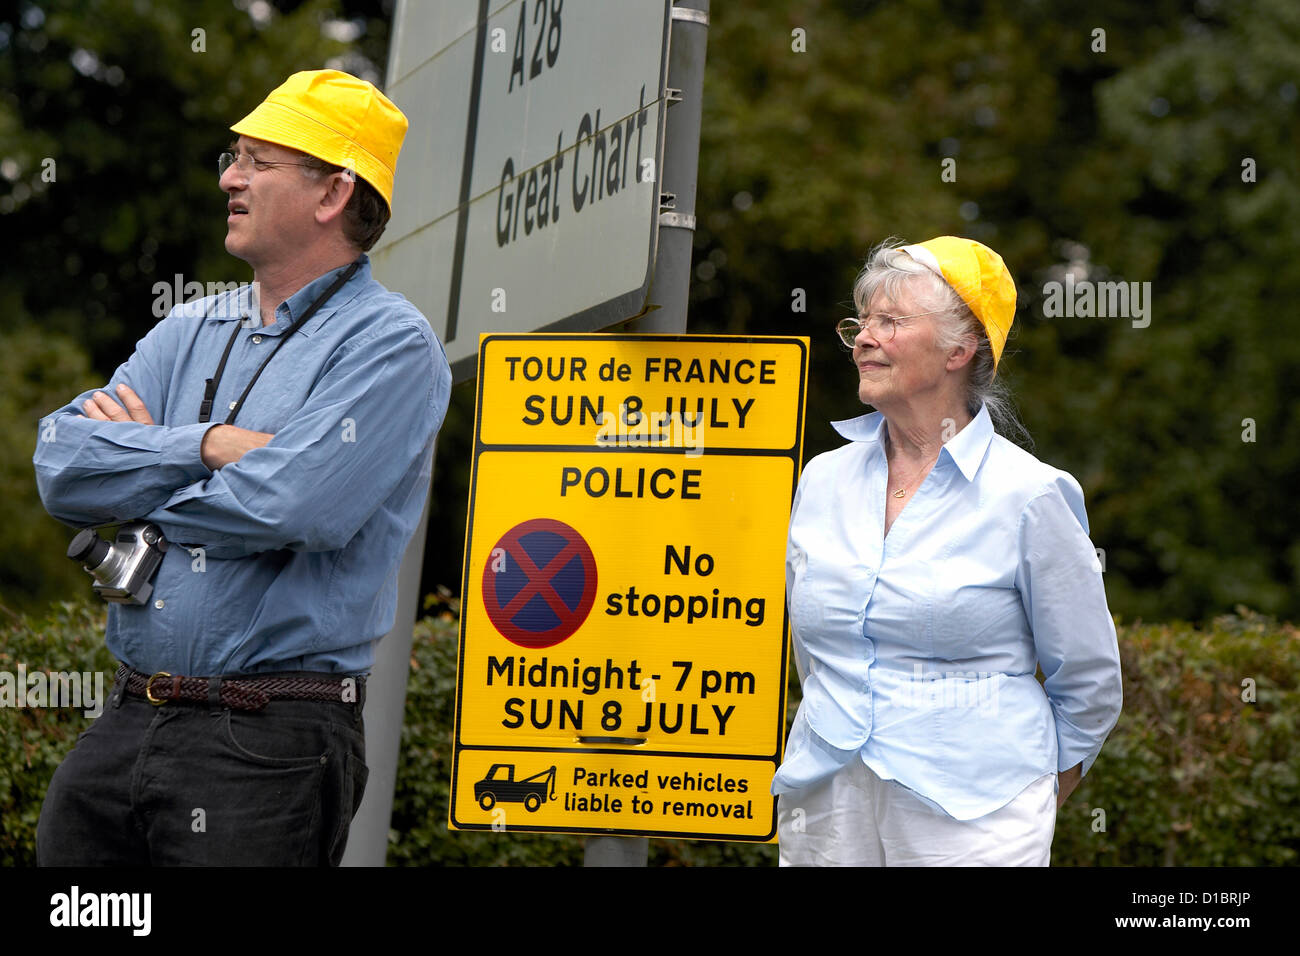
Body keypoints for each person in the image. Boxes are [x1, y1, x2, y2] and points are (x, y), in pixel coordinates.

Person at [32, 70, 451, 865]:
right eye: (234, 156)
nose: (229, 176)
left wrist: (143, 467)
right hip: (125, 717)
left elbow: (295, 505)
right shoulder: (188, 323)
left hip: (271, 738)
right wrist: (208, 446)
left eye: (258, 160)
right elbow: (61, 468)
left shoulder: (392, 346)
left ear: (332, 193)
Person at [774, 236, 1122, 866]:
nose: (863, 339)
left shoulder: (1029, 494)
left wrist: (1035, 796)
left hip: (975, 815)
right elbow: (816, 655)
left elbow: (1090, 682)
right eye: (860, 322)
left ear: (960, 350)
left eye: (890, 322)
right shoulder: (821, 480)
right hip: (829, 804)